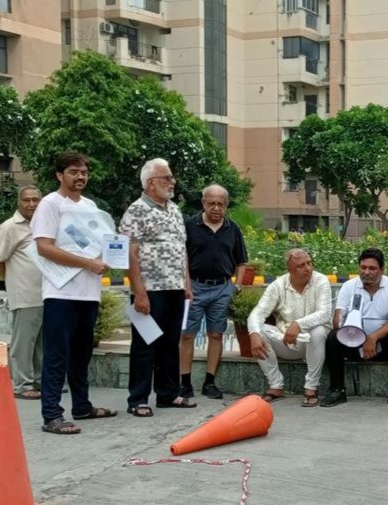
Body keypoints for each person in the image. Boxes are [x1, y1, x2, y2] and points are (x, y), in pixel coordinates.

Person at [32, 152, 117, 434]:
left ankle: (82, 406)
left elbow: (100, 245)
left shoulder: (91, 206)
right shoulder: (50, 204)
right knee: (56, 355)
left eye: (84, 173)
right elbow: (44, 247)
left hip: (88, 293)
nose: (80, 177)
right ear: (60, 175)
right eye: (73, 172)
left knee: (81, 355)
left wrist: (109, 257)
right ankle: (51, 415)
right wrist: (87, 263)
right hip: (60, 293)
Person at [119, 158, 195, 417]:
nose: (173, 182)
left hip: (174, 288)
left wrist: (186, 284)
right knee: (145, 344)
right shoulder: (136, 210)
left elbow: (181, 249)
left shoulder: (174, 209)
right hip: (149, 289)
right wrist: (139, 292)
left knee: (170, 343)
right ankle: (138, 399)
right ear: (151, 183)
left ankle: (168, 393)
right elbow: (129, 253)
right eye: (167, 178)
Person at [180, 184, 248, 400]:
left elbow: (241, 261)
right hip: (194, 287)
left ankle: (210, 382)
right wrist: (186, 286)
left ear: (226, 205)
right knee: (187, 335)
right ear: (203, 203)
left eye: (221, 204)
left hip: (222, 288)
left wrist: (236, 286)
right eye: (211, 203)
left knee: (216, 334)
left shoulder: (232, 228)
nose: (216, 208)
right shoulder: (190, 225)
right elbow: (182, 258)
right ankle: (184, 383)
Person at [321, 248, 388, 409]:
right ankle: (337, 390)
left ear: (382, 270)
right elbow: (337, 322)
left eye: (372, 268)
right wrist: (352, 329)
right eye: (363, 267)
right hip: (353, 340)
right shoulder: (349, 286)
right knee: (333, 336)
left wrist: (372, 338)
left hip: (381, 342)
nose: (366, 272)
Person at [248, 249, 331, 406]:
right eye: (301, 265)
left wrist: (298, 324)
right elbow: (257, 313)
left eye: (309, 263)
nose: (308, 268)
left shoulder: (321, 281)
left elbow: (325, 314)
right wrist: (254, 333)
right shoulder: (278, 286)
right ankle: (275, 385)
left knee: (319, 331)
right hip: (286, 341)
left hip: (314, 344)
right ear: (290, 269)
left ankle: (311, 387)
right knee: (259, 331)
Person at [0, 186, 43, 399]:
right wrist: (12, 282)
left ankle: (39, 382)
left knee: (41, 344)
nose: (32, 204)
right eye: (27, 200)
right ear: (19, 202)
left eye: (36, 200)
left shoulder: (43, 224)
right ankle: (22, 386)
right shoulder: (10, 227)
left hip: (46, 293)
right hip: (25, 294)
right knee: (24, 343)